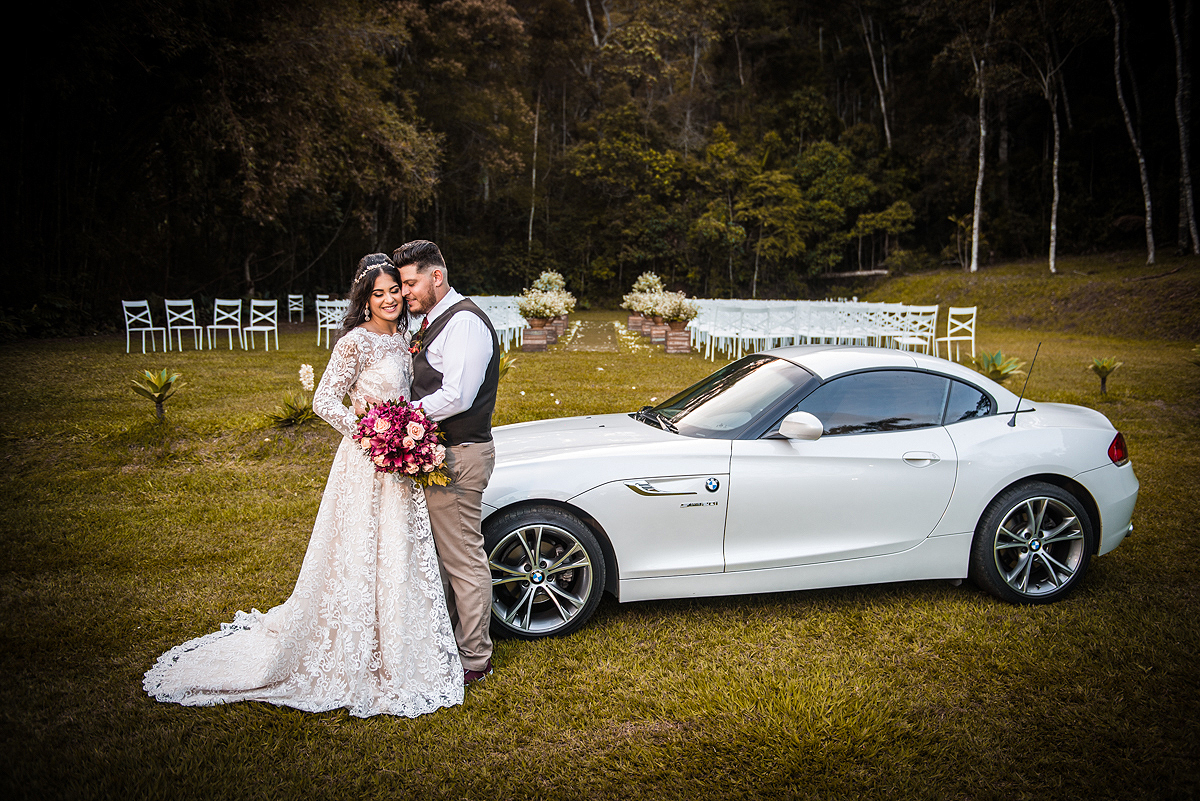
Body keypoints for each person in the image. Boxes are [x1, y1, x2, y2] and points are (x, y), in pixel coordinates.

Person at [143, 253, 463, 718]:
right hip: (368, 462)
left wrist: (403, 436)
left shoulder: (403, 338)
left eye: (396, 290)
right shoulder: (356, 342)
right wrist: (371, 433)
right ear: (365, 299)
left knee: (397, 550)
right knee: (357, 549)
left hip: (401, 464)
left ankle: (398, 641)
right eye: (379, 294)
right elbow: (324, 400)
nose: (391, 299)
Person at [392, 240, 500, 684]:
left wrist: (400, 420)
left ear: (437, 276)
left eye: (411, 282)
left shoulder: (466, 324)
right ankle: (450, 639)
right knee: (443, 554)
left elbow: (458, 395)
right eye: (401, 284)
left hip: (459, 454)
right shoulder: (433, 322)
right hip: (440, 453)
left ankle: (475, 657)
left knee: (462, 559)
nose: (405, 293)